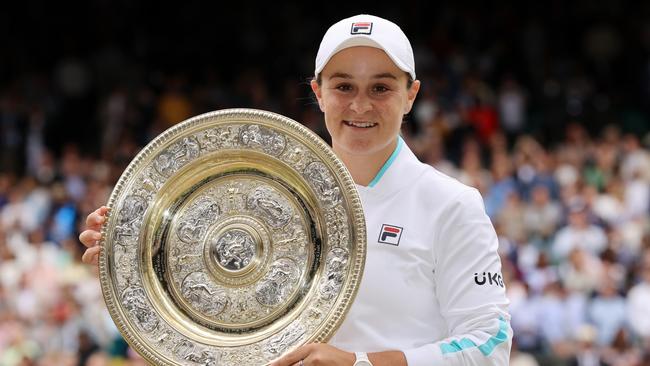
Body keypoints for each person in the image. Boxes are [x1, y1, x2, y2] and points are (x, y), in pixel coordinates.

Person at [80, 14, 512, 366]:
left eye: (381, 87)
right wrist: (132, 253)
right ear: (318, 93)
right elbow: (217, 324)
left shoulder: (451, 205)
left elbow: (490, 346)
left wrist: (360, 363)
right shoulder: (265, 195)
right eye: (343, 86)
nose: (360, 106)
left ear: (411, 95)